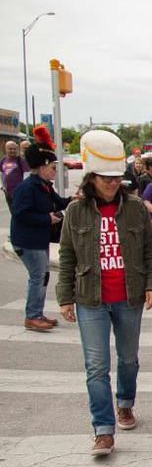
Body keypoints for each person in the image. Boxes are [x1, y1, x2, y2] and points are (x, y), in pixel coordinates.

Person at [57, 130, 152, 457]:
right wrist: (64, 296)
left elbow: (150, 249)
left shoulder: (133, 208)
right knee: (96, 365)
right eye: (106, 178)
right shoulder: (75, 212)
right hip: (91, 298)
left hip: (129, 297)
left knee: (128, 359)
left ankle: (125, 403)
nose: (113, 183)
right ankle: (103, 429)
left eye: (117, 178)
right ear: (91, 177)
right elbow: (66, 255)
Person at [11, 126, 70, 331]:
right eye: (52, 167)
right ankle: (32, 316)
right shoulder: (27, 187)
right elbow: (21, 213)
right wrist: (47, 219)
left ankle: (37, 313)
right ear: (42, 166)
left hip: (39, 239)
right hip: (28, 241)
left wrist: (75, 199)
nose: (54, 170)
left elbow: (60, 202)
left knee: (41, 276)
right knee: (38, 277)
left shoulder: (44, 186)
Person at [2, 139, 31, 209]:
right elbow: (2, 173)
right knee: (13, 212)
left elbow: (27, 175)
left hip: (19, 193)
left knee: (19, 213)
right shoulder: (3, 160)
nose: (13, 150)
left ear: (17, 149)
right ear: (6, 149)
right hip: (8, 193)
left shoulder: (20, 160)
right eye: (10, 149)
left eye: (14, 149)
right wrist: (3, 186)